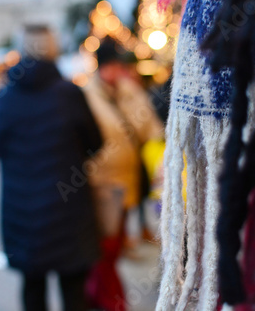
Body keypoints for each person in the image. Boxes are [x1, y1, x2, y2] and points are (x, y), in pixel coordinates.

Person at [0, 25, 103, 311]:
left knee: (32, 288)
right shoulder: (69, 93)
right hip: (69, 210)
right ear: (53, 48)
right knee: (74, 291)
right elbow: (95, 142)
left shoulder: (4, 98)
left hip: (22, 211)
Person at [82, 38, 163, 311]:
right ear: (101, 67)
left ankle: (95, 294)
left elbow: (150, 128)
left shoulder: (129, 90)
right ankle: (110, 300)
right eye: (112, 66)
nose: (117, 72)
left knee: (114, 246)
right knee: (107, 248)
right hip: (102, 183)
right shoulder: (86, 95)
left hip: (130, 179)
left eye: (119, 65)